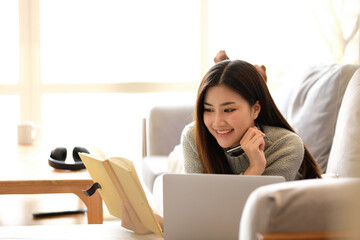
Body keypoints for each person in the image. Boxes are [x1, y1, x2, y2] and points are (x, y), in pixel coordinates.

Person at [121, 58, 322, 235]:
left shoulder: (286, 145)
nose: (217, 122)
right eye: (208, 110)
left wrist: (255, 169)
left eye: (229, 109)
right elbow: (199, 212)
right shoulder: (193, 135)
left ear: (255, 109)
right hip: (185, 155)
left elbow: (250, 222)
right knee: (173, 166)